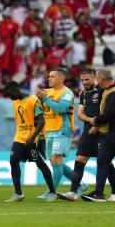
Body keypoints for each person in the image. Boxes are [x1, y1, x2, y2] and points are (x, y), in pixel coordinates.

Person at [59, 69, 115, 201]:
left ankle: (113, 193)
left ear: (94, 78)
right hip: (87, 132)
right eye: (82, 80)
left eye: (87, 79)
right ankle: (73, 192)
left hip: (101, 132)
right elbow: (79, 114)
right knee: (80, 160)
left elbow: (106, 112)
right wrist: (90, 121)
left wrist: (96, 125)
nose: (85, 82)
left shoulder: (103, 91)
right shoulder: (83, 94)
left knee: (106, 163)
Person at [3, 81, 56, 202]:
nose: (9, 97)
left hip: (34, 139)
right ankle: (18, 193)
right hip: (19, 137)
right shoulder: (15, 101)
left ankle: (52, 192)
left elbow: (42, 121)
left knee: (40, 164)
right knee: (13, 161)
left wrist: (32, 137)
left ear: (16, 90)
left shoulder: (33, 100)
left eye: (10, 94)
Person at [34, 68, 75, 198]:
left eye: (52, 76)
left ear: (61, 79)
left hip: (62, 130)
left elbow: (61, 108)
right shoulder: (47, 92)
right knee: (56, 162)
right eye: (49, 76)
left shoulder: (67, 93)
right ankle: (79, 184)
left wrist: (44, 98)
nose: (49, 78)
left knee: (56, 160)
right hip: (49, 131)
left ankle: (52, 191)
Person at [82, 69, 115, 201]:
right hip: (109, 133)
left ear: (102, 78)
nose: (95, 80)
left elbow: (109, 113)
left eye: (97, 78)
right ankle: (103, 193)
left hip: (111, 133)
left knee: (103, 161)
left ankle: (99, 193)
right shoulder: (107, 91)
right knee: (104, 161)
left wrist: (95, 121)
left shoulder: (112, 93)